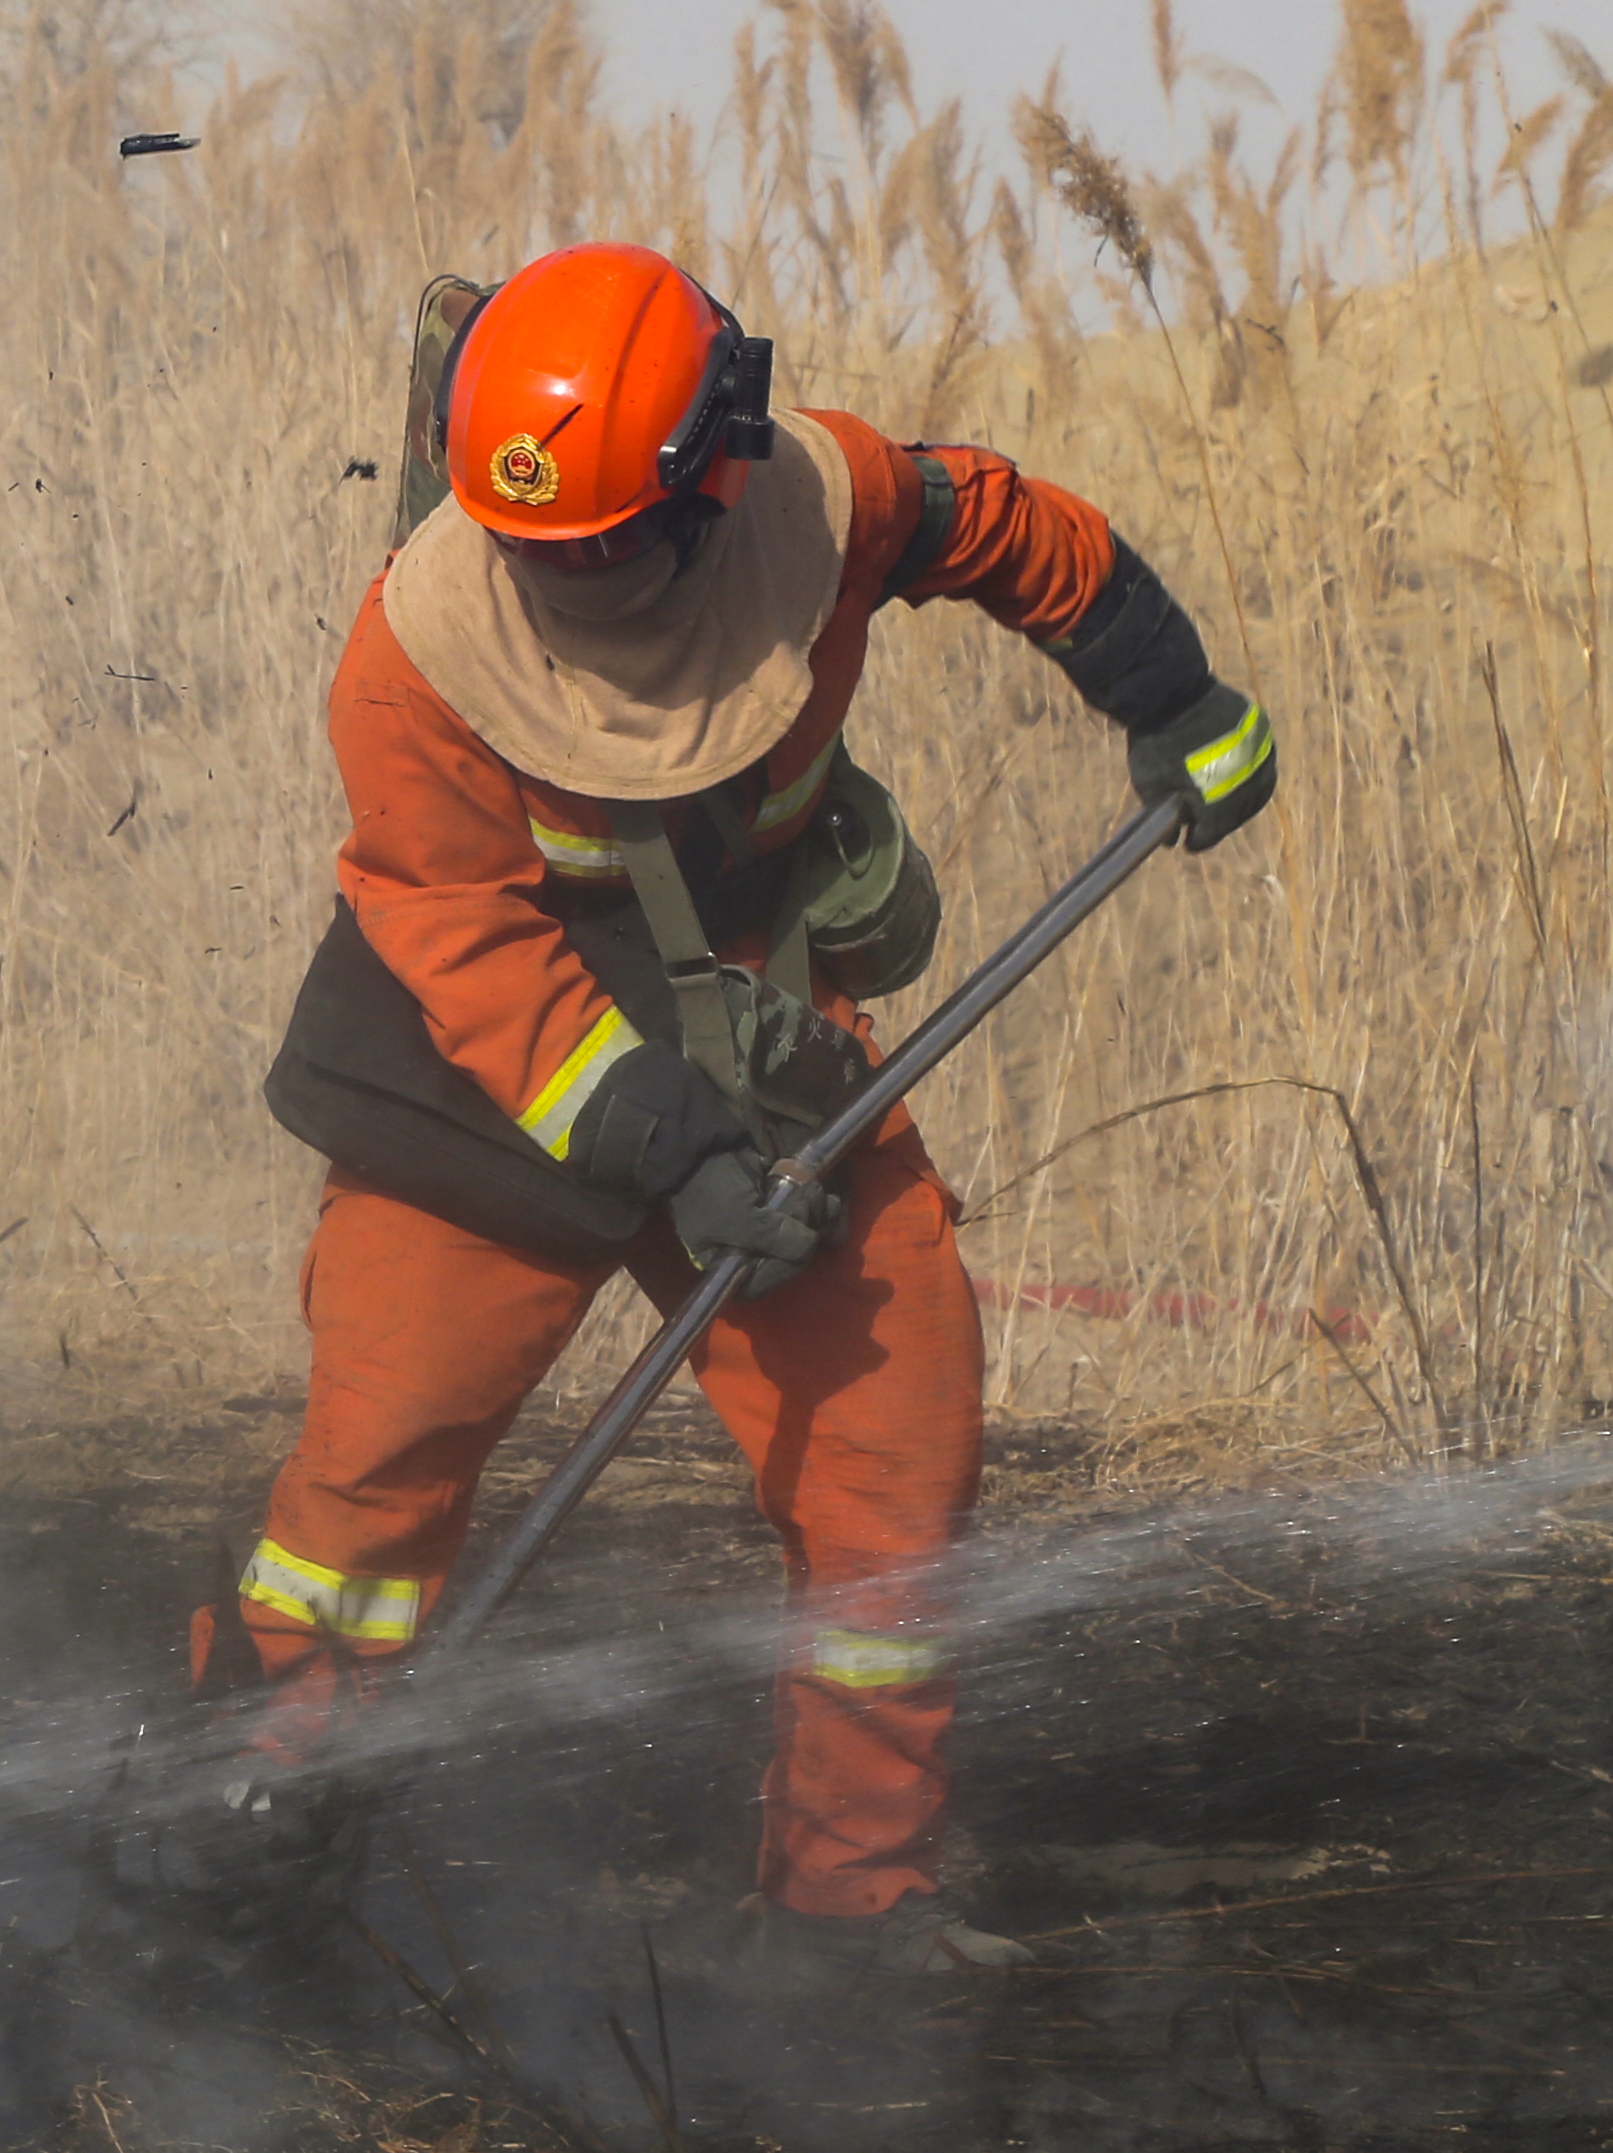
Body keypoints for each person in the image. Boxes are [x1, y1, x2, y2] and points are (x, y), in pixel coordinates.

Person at [191, 241, 1276, 1995]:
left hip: (762, 1039)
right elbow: (462, 944)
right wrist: (670, 1151)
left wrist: (1170, 694)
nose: (570, 578)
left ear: (715, 474)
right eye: (539, 546)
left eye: (610, 540)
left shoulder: (830, 502)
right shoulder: (411, 658)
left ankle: (851, 1912)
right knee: (368, 1486)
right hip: (479, 1083)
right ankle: (254, 1835)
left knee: (893, 1466)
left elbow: (1005, 524)